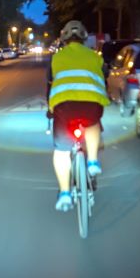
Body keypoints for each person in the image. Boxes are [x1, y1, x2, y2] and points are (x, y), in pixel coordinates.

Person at [46, 20, 110, 212]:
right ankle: (92, 162)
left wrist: (50, 111)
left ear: (64, 38)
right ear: (84, 38)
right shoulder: (94, 56)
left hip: (64, 107)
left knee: (62, 151)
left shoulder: (56, 59)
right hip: (91, 104)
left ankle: (65, 193)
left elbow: (50, 84)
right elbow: (103, 77)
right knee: (93, 124)